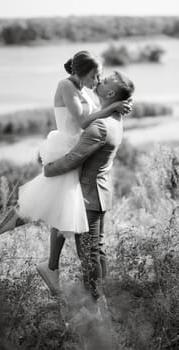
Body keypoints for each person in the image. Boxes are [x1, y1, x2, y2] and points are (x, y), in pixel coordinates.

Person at [0, 51, 131, 239]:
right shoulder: (65, 85)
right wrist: (111, 108)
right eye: (94, 75)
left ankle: (50, 264)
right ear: (81, 72)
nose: (97, 80)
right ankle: (17, 216)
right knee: (52, 199)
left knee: (61, 205)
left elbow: (95, 112)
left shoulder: (82, 89)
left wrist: (116, 104)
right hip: (66, 145)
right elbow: (83, 121)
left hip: (78, 144)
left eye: (99, 76)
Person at [40, 71, 135, 303]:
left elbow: (73, 158)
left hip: (88, 197)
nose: (100, 80)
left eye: (105, 81)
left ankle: (94, 305)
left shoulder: (100, 126)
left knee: (89, 254)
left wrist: (48, 169)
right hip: (99, 193)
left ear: (110, 93)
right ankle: (101, 299)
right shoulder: (112, 118)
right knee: (96, 250)